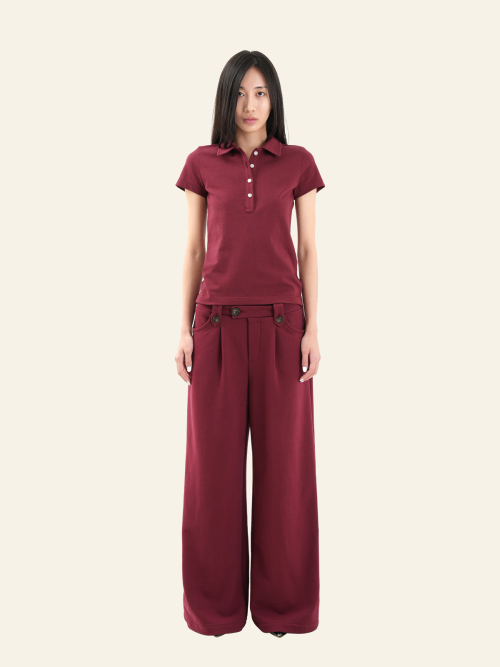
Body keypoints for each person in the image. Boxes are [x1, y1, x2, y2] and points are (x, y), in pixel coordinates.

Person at [175, 50, 325, 638]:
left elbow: (308, 250)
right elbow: (193, 250)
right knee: (211, 476)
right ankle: (214, 612)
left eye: (260, 93)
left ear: (274, 99)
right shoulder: (201, 164)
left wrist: (314, 328)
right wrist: (182, 329)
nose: (250, 105)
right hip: (214, 326)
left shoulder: (299, 164)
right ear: (226, 98)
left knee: (286, 474)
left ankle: (283, 610)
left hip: (283, 328)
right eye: (240, 93)